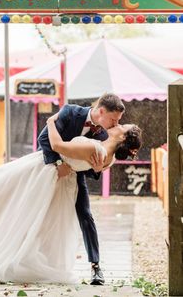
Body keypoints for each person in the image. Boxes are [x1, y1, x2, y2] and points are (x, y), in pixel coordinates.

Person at [0, 116, 141, 285]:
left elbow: (57, 146)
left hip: (45, 171)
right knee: (39, 220)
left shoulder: (96, 147)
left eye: (122, 126)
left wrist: (50, 123)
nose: (118, 124)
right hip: (63, 183)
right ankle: (22, 259)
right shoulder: (109, 158)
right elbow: (85, 166)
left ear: (123, 136)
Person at [37, 93, 125, 285]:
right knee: (37, 214)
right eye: (113, 119)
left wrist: (97, 169)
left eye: (118, 121)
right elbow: (43, 139)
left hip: (75, 177)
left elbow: (91, 167)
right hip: (47, 170)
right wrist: (58, 163)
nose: (115, 124)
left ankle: (96, 267)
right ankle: (28, 258)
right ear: (101, 111)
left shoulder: (104, 134)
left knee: (86, 215)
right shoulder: (70, 112)